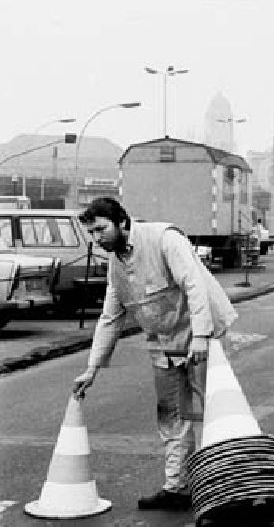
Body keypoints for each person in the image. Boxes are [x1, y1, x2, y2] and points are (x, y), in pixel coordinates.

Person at [71, 197, 237, 512]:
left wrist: (201, 337)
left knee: (215, 413)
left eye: (101, 229)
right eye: (91, 232)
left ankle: (226, 491)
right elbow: (110, 318)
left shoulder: (164, 238)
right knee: (171, 416)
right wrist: (91, 369)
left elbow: (194, 285)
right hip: (165, 342)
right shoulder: (116, 266)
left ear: (122, 221)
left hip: (203, 336)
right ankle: (177, 488)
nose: (96, 238)